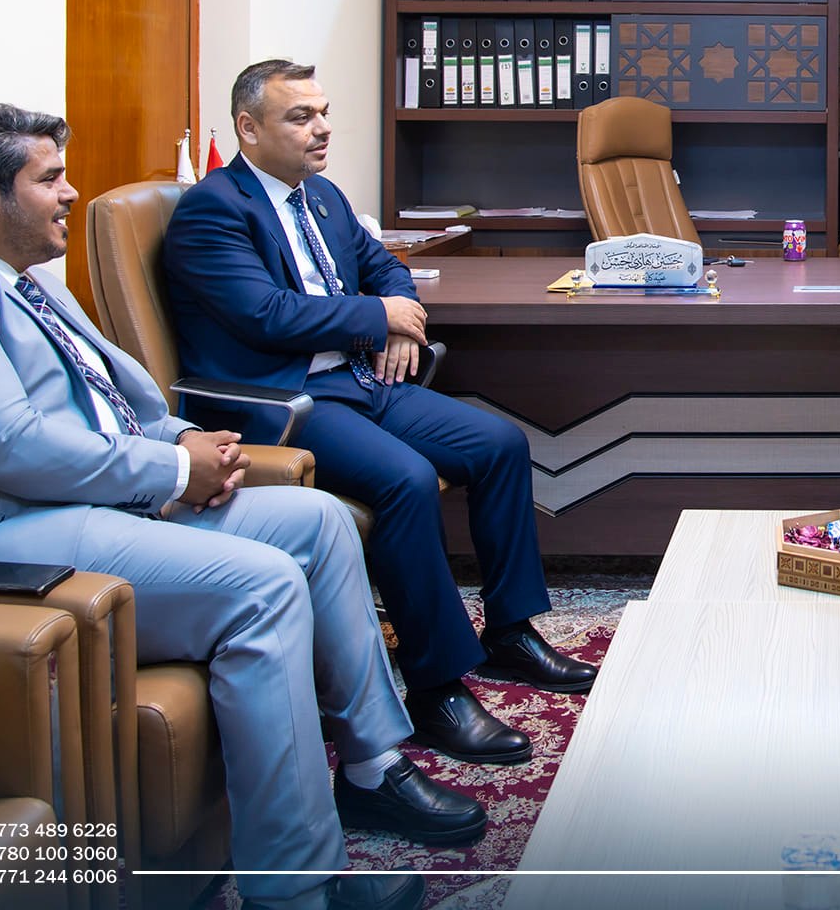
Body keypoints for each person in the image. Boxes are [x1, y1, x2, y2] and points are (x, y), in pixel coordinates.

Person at [0, 100, 481, 910]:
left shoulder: (28, 284)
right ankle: (295, 885)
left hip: (68, 510)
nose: (71, 193)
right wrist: (171, 470)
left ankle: (371, 768)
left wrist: (186, 438)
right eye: (49, 179)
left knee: (319, 522)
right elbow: (7, 446)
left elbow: (117, 403)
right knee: (262, 584)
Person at [163, 60, 594, 769]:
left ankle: (510, 633)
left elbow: (388, 268)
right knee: (405, 479)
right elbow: (265, 315)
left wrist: (397, 321)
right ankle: (436, 688)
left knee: (498, 442)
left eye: (323, 112)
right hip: (285, 401)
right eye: (301, 116)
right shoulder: (213, 209)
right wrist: (377, 316)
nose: (322, 128)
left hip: (360, 380)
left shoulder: (324, 198)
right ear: (248, 127)